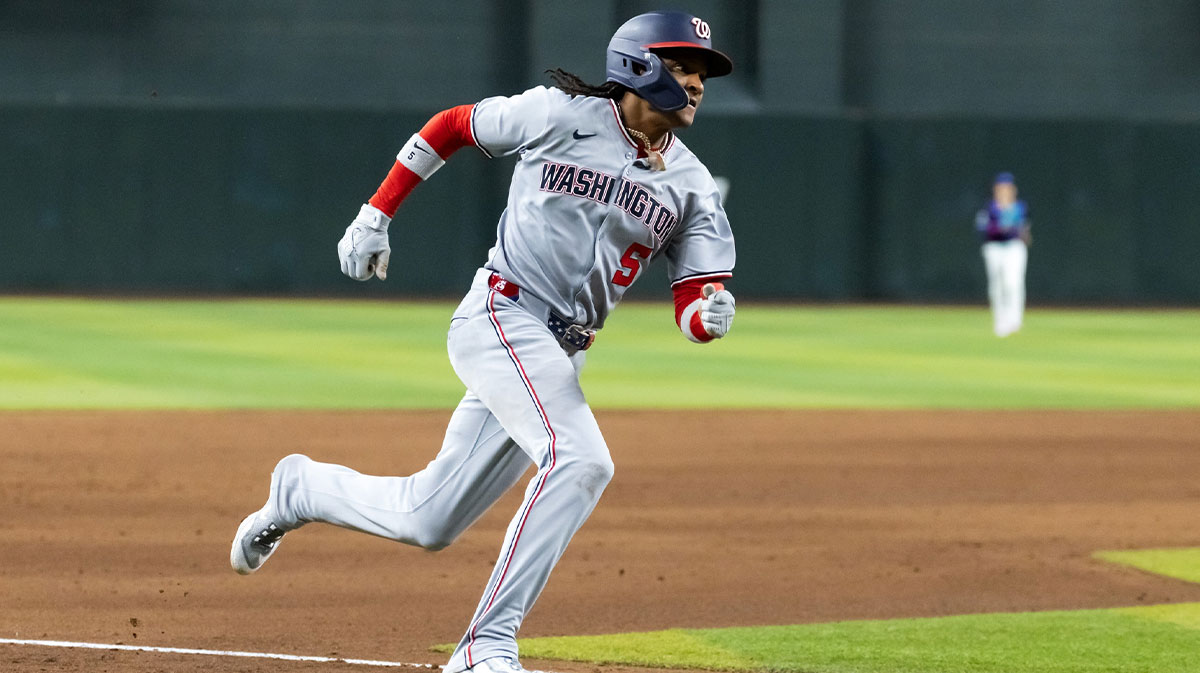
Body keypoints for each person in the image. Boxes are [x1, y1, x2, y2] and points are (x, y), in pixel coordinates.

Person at [229, 11, 737, 673]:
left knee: (429, 517)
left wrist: (707, 315)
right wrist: (376, 212)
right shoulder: (558, 114)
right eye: (683, 66)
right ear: (638, 64)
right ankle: (485, 646)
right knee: (581, 459)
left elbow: (694, 299)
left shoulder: (692, 185)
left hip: (560, 352)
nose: (697, 83)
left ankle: (301, 489)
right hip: (501, 314)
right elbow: (452, 127)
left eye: (703, 72)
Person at [974, 172, 1031, 337]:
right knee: (996, 286)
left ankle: (1015, 319)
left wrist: (1013, 231)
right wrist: (1002, 229)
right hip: (994, 248)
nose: (1004, 191)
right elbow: (983, 230)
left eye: (1008, 188)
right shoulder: (989, 207)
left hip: (1014, 247)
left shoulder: (1020, 207)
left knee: (1013, 283)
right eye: (1001, 188)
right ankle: (1000, 320)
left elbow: (1023, 230)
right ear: (995, 190)